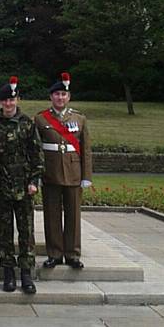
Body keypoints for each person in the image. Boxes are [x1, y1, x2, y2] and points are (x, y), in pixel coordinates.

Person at [0, 77, 44, 294]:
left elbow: (36, 154)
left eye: (12, 99)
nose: (9, 103)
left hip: (24, 187)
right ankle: (8, 272)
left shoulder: (27, 123)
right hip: (2, 186)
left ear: (17, 99)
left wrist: (34, 180)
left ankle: (26, 273)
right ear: (0, 102)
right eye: (5, 100)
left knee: (26, 231)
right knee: (4, 231)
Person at [34, 72, 93, 269]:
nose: (60, 98)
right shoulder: (41, 119)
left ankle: (73, 254)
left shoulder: (79, 118)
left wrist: (86, 176)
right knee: (52, 216)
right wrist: (38, 175)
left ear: (69, 97)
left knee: (73, 215)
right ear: (51, 96)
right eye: (57, 94)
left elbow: (85, 149)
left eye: (63, 94)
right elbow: (37, 149)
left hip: (74, 173)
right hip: (50, 173)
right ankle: (55, 253)